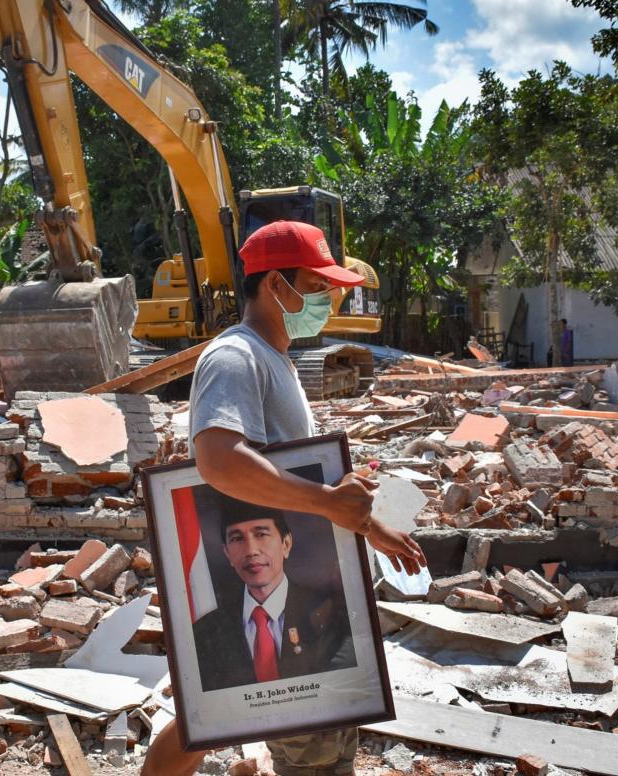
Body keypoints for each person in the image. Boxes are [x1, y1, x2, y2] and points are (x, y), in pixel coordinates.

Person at [141, 220, 427, 776]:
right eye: (317, 286)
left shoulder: (276, 358)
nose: (329, 297)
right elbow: (220, 460)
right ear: (276, 286)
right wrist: (327, 502)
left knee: (210, 715)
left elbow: (290, 482)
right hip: (272, 587)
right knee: (301, 746)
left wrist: (369, 526)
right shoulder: (234, 357)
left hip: (292, 583)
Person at [191, 494, 354, 692]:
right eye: (237, 538)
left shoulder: (329, 613)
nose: (251, 550)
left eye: (261, 534)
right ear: (227, 554)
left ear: (286, 544)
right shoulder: (205, 632)